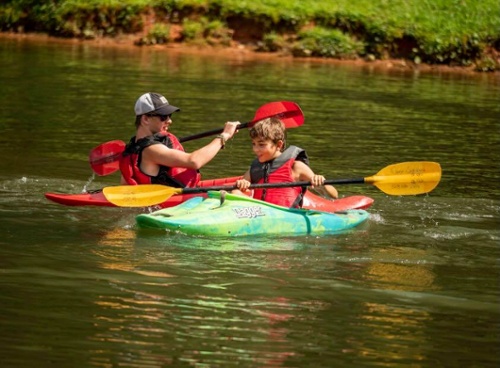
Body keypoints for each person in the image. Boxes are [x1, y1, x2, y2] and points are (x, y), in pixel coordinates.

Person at [119, 92, 239, 187]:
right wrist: (225, 135)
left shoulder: (132, 147)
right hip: (170, 208)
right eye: (163, 117)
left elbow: (125, 184)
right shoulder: (152, 150)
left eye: (169, 116)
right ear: (145, 119)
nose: (169, 121)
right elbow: (194, 162)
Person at [234, 117, 338, 207]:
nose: (255, 149)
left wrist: (321, 183)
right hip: (260, 212)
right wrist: (241, 185)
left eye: (261, 144)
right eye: (253, 144)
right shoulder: (254, 169)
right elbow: (235, 192)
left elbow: (334, 195)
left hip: (288, 214)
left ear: (278, 145)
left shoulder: (296, 167)